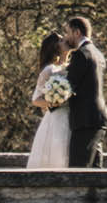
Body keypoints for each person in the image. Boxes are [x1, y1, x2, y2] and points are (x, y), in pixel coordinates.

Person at [63, 13, 107, 168]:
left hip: (84, 120)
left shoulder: (81, 54)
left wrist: (53, 102)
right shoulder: (98, 54)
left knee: (78, 170)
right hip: (99, 118)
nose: (66, 37)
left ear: (77, 32)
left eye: (68, 32)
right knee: (96, 172)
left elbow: (68, 86)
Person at [26, 32, 72, 171]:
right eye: (63, 41)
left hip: (72, 116)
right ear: (56, 47)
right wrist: (54, 101)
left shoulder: (71, 66)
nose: (67, 42)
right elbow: (36, 99)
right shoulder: (49, 70)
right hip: (57, 118)